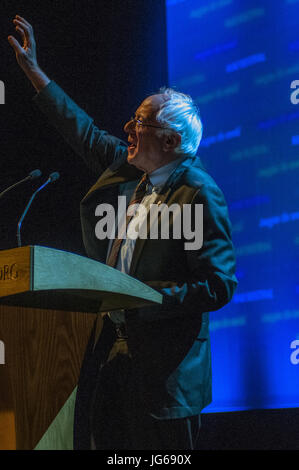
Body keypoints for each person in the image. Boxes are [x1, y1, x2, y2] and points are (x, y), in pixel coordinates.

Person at [8, 15, 238, 450]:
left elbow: (218, 285)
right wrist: (35, 73)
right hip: (112, 359)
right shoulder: (131, 173)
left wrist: (143, 300)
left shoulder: (199, 194)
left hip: (164, 378)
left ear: (170, 140)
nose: (129, 130)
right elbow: (83, 130)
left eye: (140, 123)